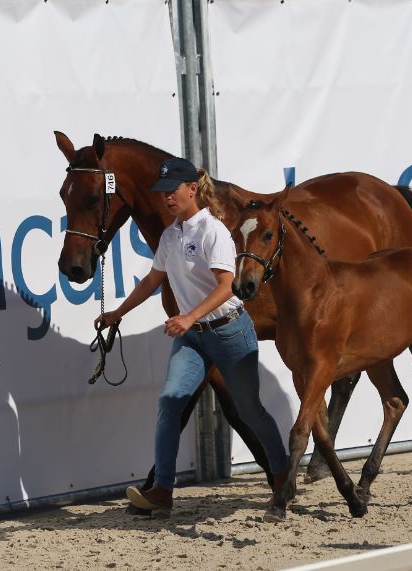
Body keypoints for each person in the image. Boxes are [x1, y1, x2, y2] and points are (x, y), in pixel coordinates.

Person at [95, 157, 289, 517]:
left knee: (250, 410)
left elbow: (226, 286)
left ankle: (281, 474)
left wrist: (188, 317)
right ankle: (162, 491)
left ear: (192, 190)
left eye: (173, 191)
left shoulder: (212, 232)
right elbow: (152, 281)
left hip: (229, 331)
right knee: (170, 403)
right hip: (194, 339)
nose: (167, 198)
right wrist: (117, 314)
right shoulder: (171, 235)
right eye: (163, 192)